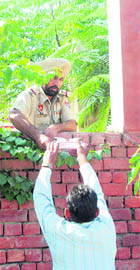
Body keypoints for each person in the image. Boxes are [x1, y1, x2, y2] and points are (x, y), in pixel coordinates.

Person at [33, 140, 117, 270]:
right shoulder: (106, 228)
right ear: (97, 212)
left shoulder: (59, 231)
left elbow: (41, 198)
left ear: (67, 213)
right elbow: (98, 193)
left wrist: (46, 165)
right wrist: (83, 160)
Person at [9, 58, 77, 150]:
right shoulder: (29, 95)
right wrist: (38, 136)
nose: (57, 83)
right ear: (42, 78)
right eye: (53, 78)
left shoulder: (62, 98)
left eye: (61, 79)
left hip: (54, 150)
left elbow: (72, 125)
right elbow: (14, 115)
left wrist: (57, 127)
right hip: (29, 150)